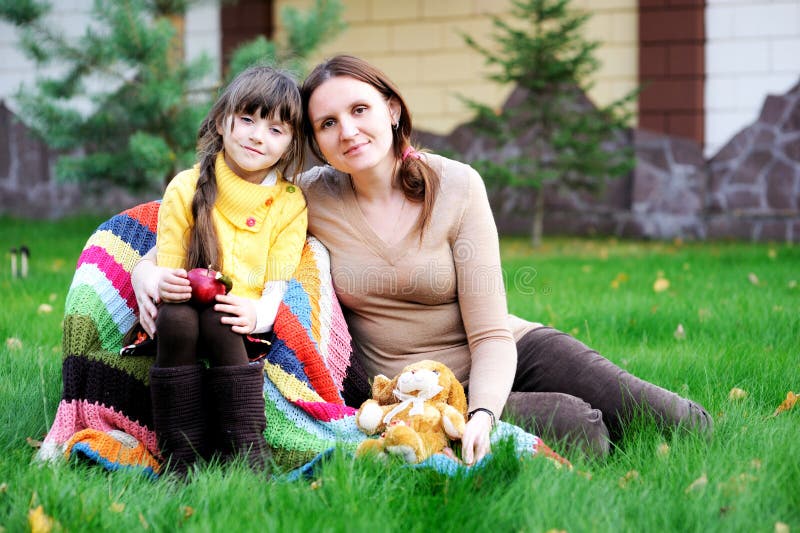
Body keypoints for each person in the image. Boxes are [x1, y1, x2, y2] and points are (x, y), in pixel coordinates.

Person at [133, 55, 711, 467]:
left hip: (504, 349)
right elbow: (216, 222)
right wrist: (145, 270)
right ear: (312, 140)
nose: (348, 131)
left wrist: (482, 414)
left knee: (678, 423)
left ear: (391, 109)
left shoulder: (456, 185)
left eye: (359, 110)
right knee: (580, 428)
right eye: (327, 124)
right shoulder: (307, 196)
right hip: (407, 384)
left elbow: (490, 333)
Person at [139, 65, 307, 476]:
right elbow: (171, 265)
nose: (256, 135)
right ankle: (180, 456)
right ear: (221, 120)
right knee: (178, 319)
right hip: (183, 312)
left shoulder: (289, 202)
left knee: (221, 319)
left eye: (275, 129)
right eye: (247, 119)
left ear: (289, 144)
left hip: (241, 319)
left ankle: (246, 451)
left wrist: (259, 315)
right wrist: (158, 280)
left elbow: (277, 282)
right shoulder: (186, 186)